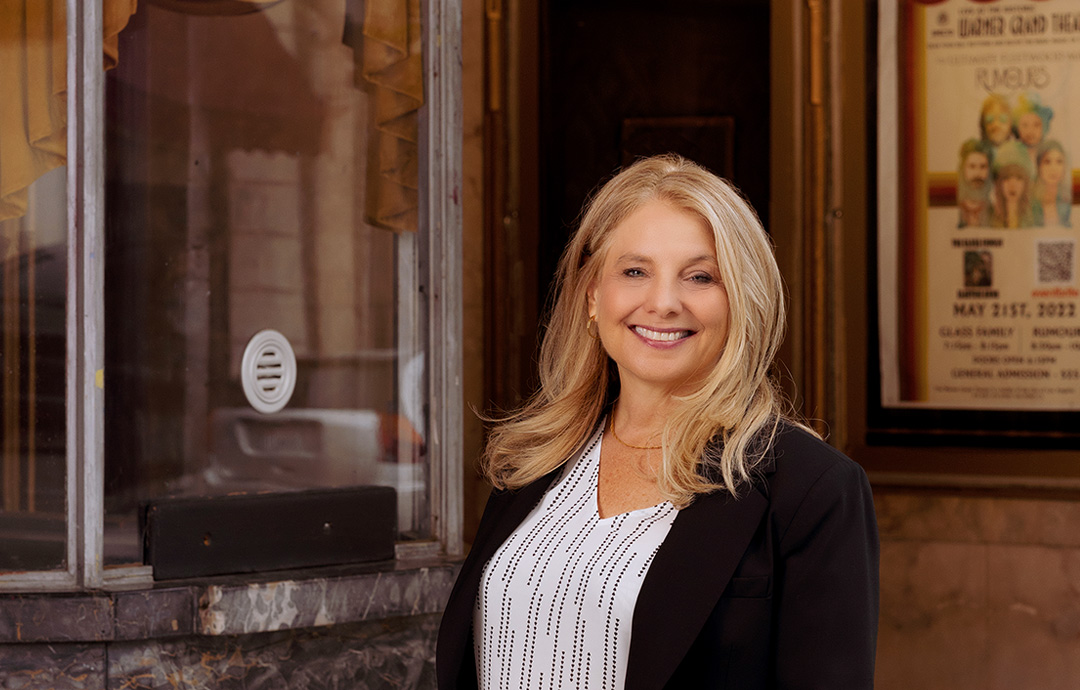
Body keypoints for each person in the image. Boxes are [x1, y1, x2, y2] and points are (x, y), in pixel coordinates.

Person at [436, 155, 879, 689]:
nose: (664, 303)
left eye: (699, 276)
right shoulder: (534, 462)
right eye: (635, 271)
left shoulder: (813, 489)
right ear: (592, 295)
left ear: (741, 300)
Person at [991, 141, 1035, 229]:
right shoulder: (989, 218)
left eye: (1019, 178)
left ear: (1026, 183)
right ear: (999, 184)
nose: (1012, 185)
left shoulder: (1034, 218)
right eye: (1006, 178)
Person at [1031, 139, 1071, 228]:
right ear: (1039, 167)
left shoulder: (1069, 202)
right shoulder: (1030, 203)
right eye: (1047, 162)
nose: (1053, 169)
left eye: (1059, 162)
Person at [957, 138, 993, 228]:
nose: (977, 174)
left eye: (983, 167)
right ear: (963, 169)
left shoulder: (995, 212)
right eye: (972, 166)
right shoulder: (954, 210)